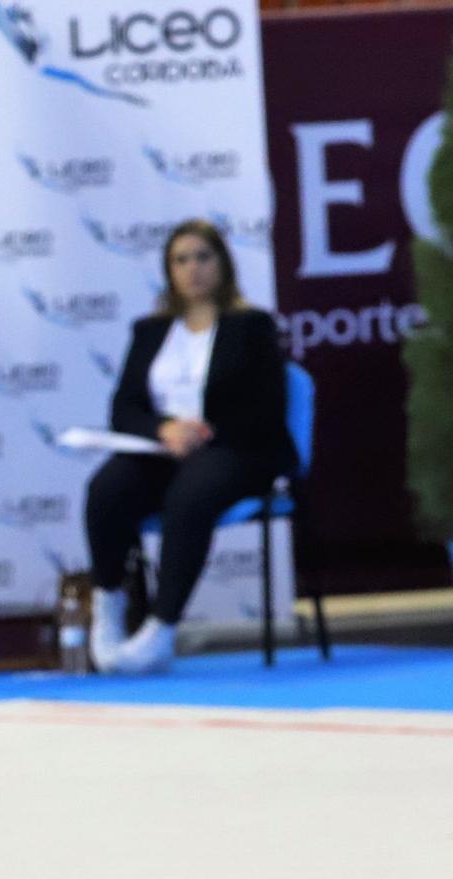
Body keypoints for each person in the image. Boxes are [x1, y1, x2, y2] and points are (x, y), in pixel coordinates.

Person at [88, 219, 298, 674]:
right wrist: (165, 428)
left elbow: (267, 407)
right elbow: (124, 409)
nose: (193, 269)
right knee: (106, 489)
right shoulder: (150, 331)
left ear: (223, 262)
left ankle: (162, 627)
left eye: (203, 256)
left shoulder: (252, 325)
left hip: (239, 450)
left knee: (192, 494)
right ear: (168, 271)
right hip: (164, 451)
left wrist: (204, 432)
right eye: (180, 260)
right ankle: (108, 606)